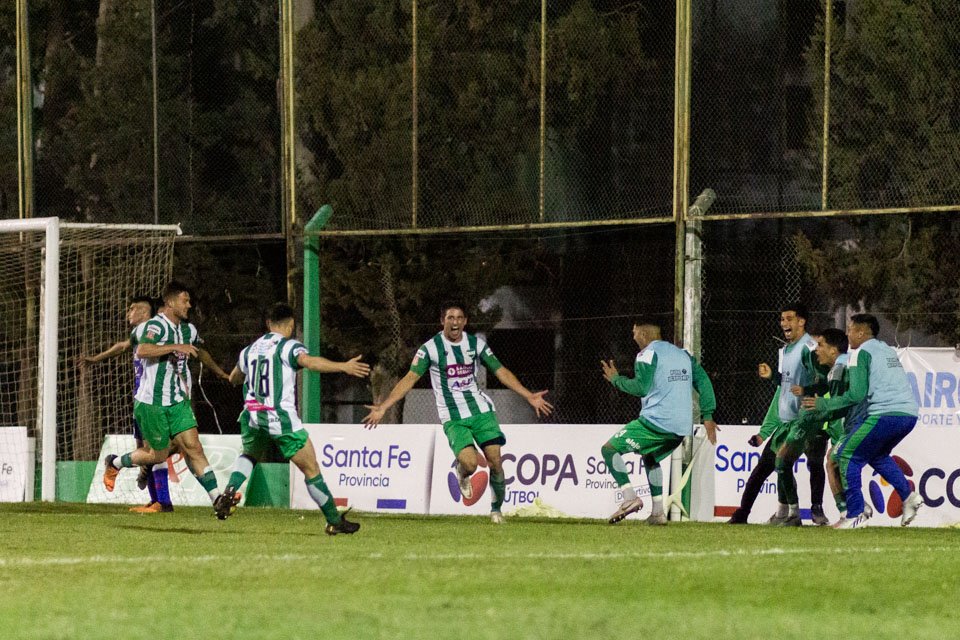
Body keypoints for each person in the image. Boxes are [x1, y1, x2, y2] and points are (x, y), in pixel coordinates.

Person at [363, 301, 553, 524]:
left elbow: (500, 370)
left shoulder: (476, 344)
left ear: (465, 321)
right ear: (442, 321)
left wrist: (528, 395)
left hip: (481, 410)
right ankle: (462, 471)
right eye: (450, 318)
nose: (455, 322)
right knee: (471, 464)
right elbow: (410, 378)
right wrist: (384, 406)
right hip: (453, 416)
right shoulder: (430, 349)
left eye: (459, 318)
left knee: (495, 460)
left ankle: (496, 510)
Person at [216, 303, 370, 534]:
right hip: (279, 417)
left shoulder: (249, 350)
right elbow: (309, 362)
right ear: (290, 325)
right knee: (311, 468)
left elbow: (234, 378)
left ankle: (230, 491)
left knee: (249, 455)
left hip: (252, 415)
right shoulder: (288, 346)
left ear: (268, 323)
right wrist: (343, 366)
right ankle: (334, 521)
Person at [101, 281, 224, 512]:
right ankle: (115, 463)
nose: (189, 305)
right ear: (170, 302)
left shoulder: (189, 330)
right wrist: (175, 347)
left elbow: (200, 351)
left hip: (177, 400)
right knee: (157, 456)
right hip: (151, 402)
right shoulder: (155, 326)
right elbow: (142, 350)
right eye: (185, 300)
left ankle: (218, 499)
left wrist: (220, 372)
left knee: (194, 447)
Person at [803, 313, 923, 528]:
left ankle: (856, 513)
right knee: (877, 456)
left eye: (850, 329)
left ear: (860, 333)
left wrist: (823, 404)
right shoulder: (886, 350)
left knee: (845, 455)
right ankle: (908, 497)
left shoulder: (859, 353)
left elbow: (856, 395)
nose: (847, 334)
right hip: (909, 415)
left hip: (885, 414)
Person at [601, 320, 718, 525]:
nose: (633, 336)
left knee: (609, 450)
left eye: (634, 332)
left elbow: (641, 388)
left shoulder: (646, 354)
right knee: (650, 457)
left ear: (643, 334)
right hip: (680, 428)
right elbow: (703, 381)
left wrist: (616, 380)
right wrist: (707, 415)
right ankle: (657, 513)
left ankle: (629, 498)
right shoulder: (683, 355)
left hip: (656, 423)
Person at [726, 303, 827, 526]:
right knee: (769, 466)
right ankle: (753, 513)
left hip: (804, 421)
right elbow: (786, 387)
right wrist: (773, 377)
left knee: (804, 464)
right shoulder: (788, 350)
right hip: (786, 422)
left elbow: (823, 382)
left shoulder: (809, 348)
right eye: (782, 319)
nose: (784, 323)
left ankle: (807, 512)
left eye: (789, 318)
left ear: (801, 321)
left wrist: (809, 394)